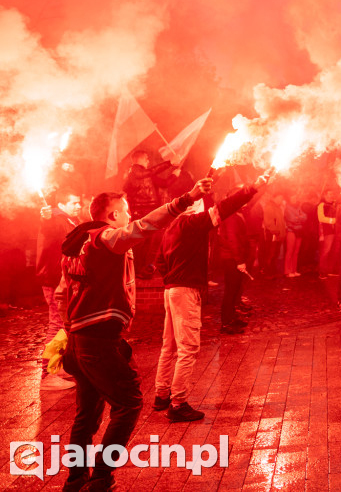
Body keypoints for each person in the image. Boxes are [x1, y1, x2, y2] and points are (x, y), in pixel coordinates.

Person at [56, 177, 211, 492]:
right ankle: (100, 479)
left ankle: (75, 481)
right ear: (112, 215)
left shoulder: (76, 244)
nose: (128, 216)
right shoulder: (104, 237)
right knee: (129, 403)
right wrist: (186, 199)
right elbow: (143, 227)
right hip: (96, 341)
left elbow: (62, 295)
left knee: (86, 415)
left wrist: (72, 331)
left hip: (78, 340)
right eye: (124, 211)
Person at [153, 176, 265, 422]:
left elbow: (159, 262)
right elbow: (224, 209)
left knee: (169, 345)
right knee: (188, 348)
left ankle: (161, 394)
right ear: (193, 206)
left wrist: (173, 277)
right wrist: (251, 188)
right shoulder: (191, 223)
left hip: (171, 290)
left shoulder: (169, 228)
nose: (206, 206)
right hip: (185, 291)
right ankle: (178, 403)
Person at [37, 193, 82, 391]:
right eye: (73, 202)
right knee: (56, 324)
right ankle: (48, 373)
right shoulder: (56, 219)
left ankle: (58, 366)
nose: (78, 205)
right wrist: (45, 218)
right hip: (55, 279)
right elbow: (48, 228)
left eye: (79, 202)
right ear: (62, 204)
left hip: (63, 279)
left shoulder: (69, 220)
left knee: (64, 324)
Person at [122, 150, 178, 279]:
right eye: (146, 158)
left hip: (148, 211)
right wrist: (169, 163)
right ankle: (136, 269)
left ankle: (141, 269)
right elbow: (149, 172)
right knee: (140, 242)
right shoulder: (135, 171)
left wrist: (174, 175)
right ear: (139, 160)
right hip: (139, 212)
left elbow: (163, 184)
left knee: (148, 242)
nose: (148, 161)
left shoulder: (146, 174)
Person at [213, 188, 254, 333]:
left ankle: (232, 318)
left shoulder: (234, 214)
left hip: (233, 258)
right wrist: (239, 261)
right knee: (231, 291)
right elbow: (233, 240)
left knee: (235, 289)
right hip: (231, 259)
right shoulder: (230, 217)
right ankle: (226, 323)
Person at [260, 193, 286, 277]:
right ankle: (268, 272)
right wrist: (276, 231)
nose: (281, 200)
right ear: (274, 197)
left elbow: (280, 221)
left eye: (282, 198)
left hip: (277, 234)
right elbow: (269, 222)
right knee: (271, 253)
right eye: (280, 198)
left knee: (275, 254)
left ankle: (272, 271)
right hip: (272, 235)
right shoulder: (270, 207)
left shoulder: (277, 207)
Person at [317, 190, 339, 279]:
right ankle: (322, 272)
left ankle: (329, 270)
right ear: (325, 195)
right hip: (327, 232)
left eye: (332, 194)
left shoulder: (333, 205)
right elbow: (321, 218)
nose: (332, 196)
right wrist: (334, 221)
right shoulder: (321, 205)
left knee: (332, 251)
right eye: (330, 194)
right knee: (325, 252)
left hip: (334, 231)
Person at [283, 193, 305, 277]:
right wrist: (299, 217)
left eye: (295, 198)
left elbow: (305, 217)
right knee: (290, 251)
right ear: (290, 199)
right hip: (291, 231)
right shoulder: (287, 208)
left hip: (299, 230)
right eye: (293, 198)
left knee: (296, 252)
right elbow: (291, 218)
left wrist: (297, 217)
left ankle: (294, 270)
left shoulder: (298, 207)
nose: (295, 199)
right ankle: (287, 271)